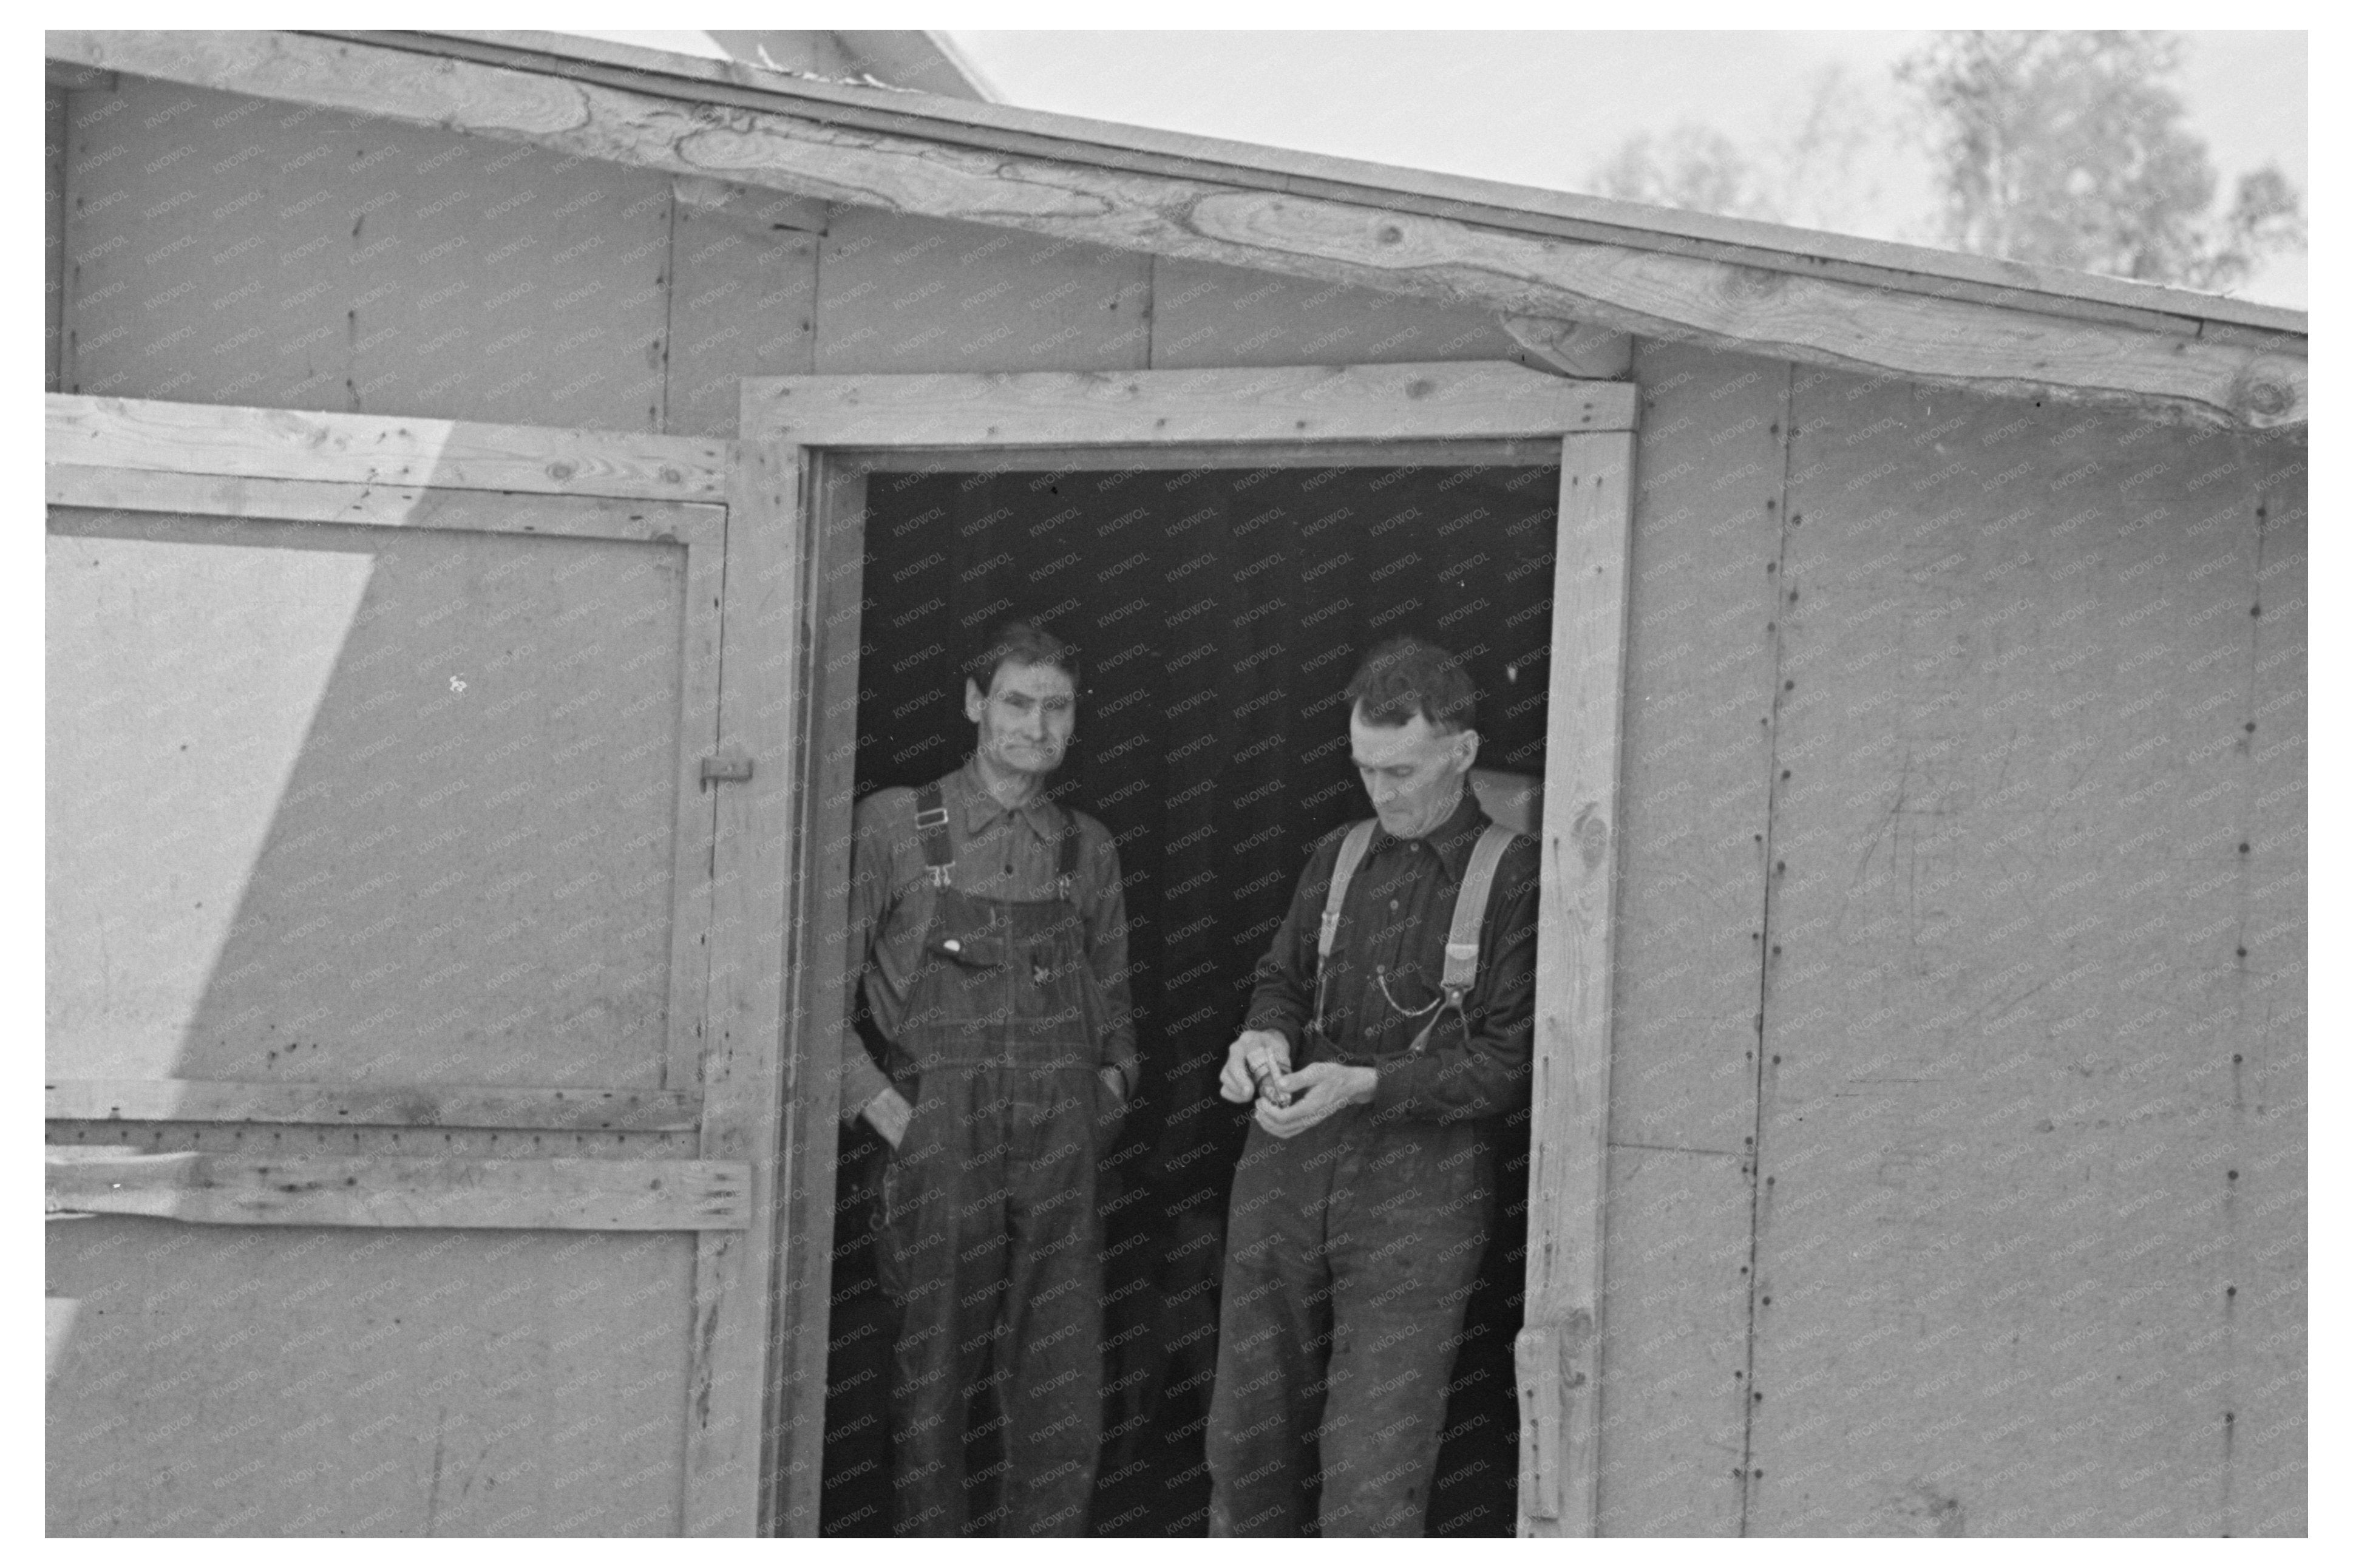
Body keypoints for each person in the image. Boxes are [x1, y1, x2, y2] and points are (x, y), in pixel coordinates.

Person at [1204, 635, 1540, 1536]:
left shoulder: (1517, 877)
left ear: (1462, 753)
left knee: (1370, 1473)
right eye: (1364, 770)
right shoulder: (1337, 855)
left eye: (1402, 772)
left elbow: (1512, 1066)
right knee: (1245, 1450)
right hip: (1284, 1173)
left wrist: (1363, 1084)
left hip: (1416, 1202)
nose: (1381, 793)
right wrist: (1261, 1038)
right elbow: (1279, 981)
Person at [841, 621, 1135, 1536]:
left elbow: (1115, 1013)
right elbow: (810, 1001)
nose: (1035, 725)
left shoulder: (1087, 848)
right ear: (976, 704)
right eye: (1016, 701)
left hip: (1058, 1148)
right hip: (941, 1144)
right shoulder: (895, 825)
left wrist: (1106, 1101)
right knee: (930, 1381)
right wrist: (896, 1119)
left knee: (1059, 1382)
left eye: (1056, 707)